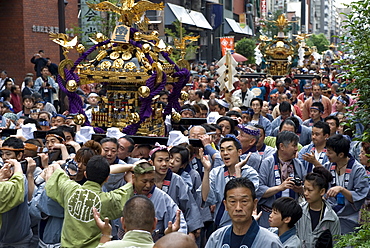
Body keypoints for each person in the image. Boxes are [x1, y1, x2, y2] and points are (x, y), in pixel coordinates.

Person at [44, 155, 133, 247]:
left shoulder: (70, 189)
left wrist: (58, 164)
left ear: (85, 174)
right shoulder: (107, 200)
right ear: (107, 178)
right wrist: (130, 179)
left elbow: (57, 174)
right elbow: (124, 193)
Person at [200, 135, 259, 228]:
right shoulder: (216, 172)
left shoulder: (250, 173)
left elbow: (241, 197)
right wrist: (207, 170)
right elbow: (205, 197)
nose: (225, 153)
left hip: (242, 225)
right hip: (219, 225)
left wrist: (238, 171)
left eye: (229, 149)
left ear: (239, 152)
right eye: (222, 150)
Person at [205, 177, 282, 248]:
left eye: (244, 201)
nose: (238, 208)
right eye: (232, 201)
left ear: (254, 204)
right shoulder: (216, 238)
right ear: (225, 205)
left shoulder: (270, 242)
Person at [257, 131, 306, 228]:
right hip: (269, 215)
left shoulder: (298, 164)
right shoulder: (267, 163)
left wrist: (300, 189)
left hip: (291, 216)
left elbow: (306, 187)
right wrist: (280, 188)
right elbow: (259, 190)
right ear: (282, 146)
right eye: (294, 145)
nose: (296, 149)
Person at [323, 134, 368, 234]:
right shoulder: (327, 166)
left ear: (341, 154)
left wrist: (342, 190)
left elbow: (360, 195)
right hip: (329, 215)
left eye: (330, 152)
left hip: (350, 217)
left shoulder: (358, 170)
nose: (326, 154)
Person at [296, 167, 341, 248]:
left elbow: (337, 244)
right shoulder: (299, 211)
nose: (305, 193)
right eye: (304, 189)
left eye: (309, 190)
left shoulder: (332, 218)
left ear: (322, 191)